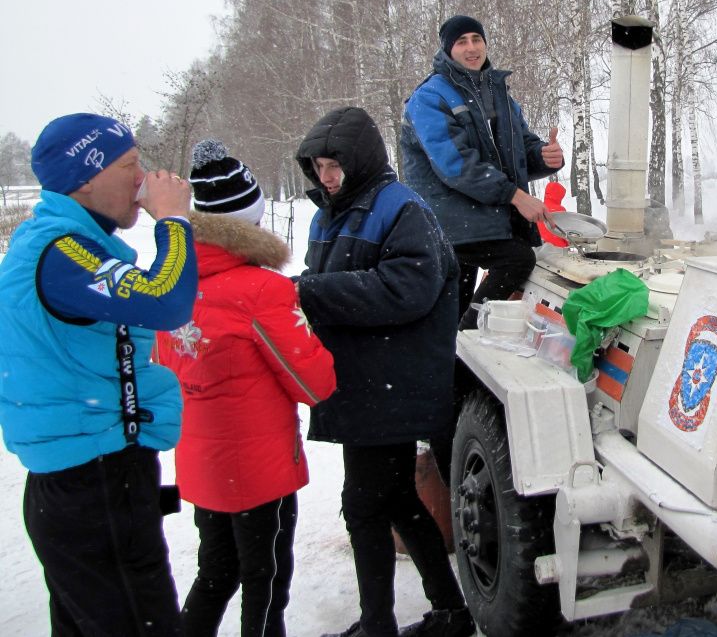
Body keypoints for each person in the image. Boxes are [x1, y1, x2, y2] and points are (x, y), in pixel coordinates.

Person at [0, 113, 198, 636]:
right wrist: (173, 221)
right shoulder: (60, 252)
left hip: (84, 481)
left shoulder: (59, 244)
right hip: (94, 484)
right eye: (130, 164)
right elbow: (166, 301)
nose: (142, 178)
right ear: (84, 177)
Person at [294, 106, 473, 637]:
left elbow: (408, 288)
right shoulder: (334, 211)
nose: (326, 176)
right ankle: (450, 613)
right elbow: (332, 277)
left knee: (363, 507)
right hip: (367, 378)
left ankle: (379, 626)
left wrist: (311, 291)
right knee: (393, 498)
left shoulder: (400, 208)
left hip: (389, 379)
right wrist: (309, 291)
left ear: (362, 160)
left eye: (335, 165)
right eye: (319, 166)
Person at [155, 140, 337, 637]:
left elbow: (166, 374)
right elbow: (313, 383)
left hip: (202, 462)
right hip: (260, 470)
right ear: (250, 222)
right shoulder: (263, 291)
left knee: (215, 572)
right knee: (265, 578)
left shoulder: (171, 282)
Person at [401, 14, 565, 331]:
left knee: (455, 306)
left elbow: (521, 149)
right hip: (448, 219)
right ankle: (469, 344)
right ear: (448, 50)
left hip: (482, 216)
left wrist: (545, 156)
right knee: (517, 260)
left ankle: (459, 357)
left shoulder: (498, 94)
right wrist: (514, 196)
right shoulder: (430, 97)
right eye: (462, 42)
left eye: (477, 39)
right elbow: (456, 165)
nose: (472, 47)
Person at [537, 180, 570, 247]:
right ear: (558, 195)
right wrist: (567, 242)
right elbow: (565, 231)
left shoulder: (539, 207)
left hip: (541, 246)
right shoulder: (560, 210)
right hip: (558, 247)